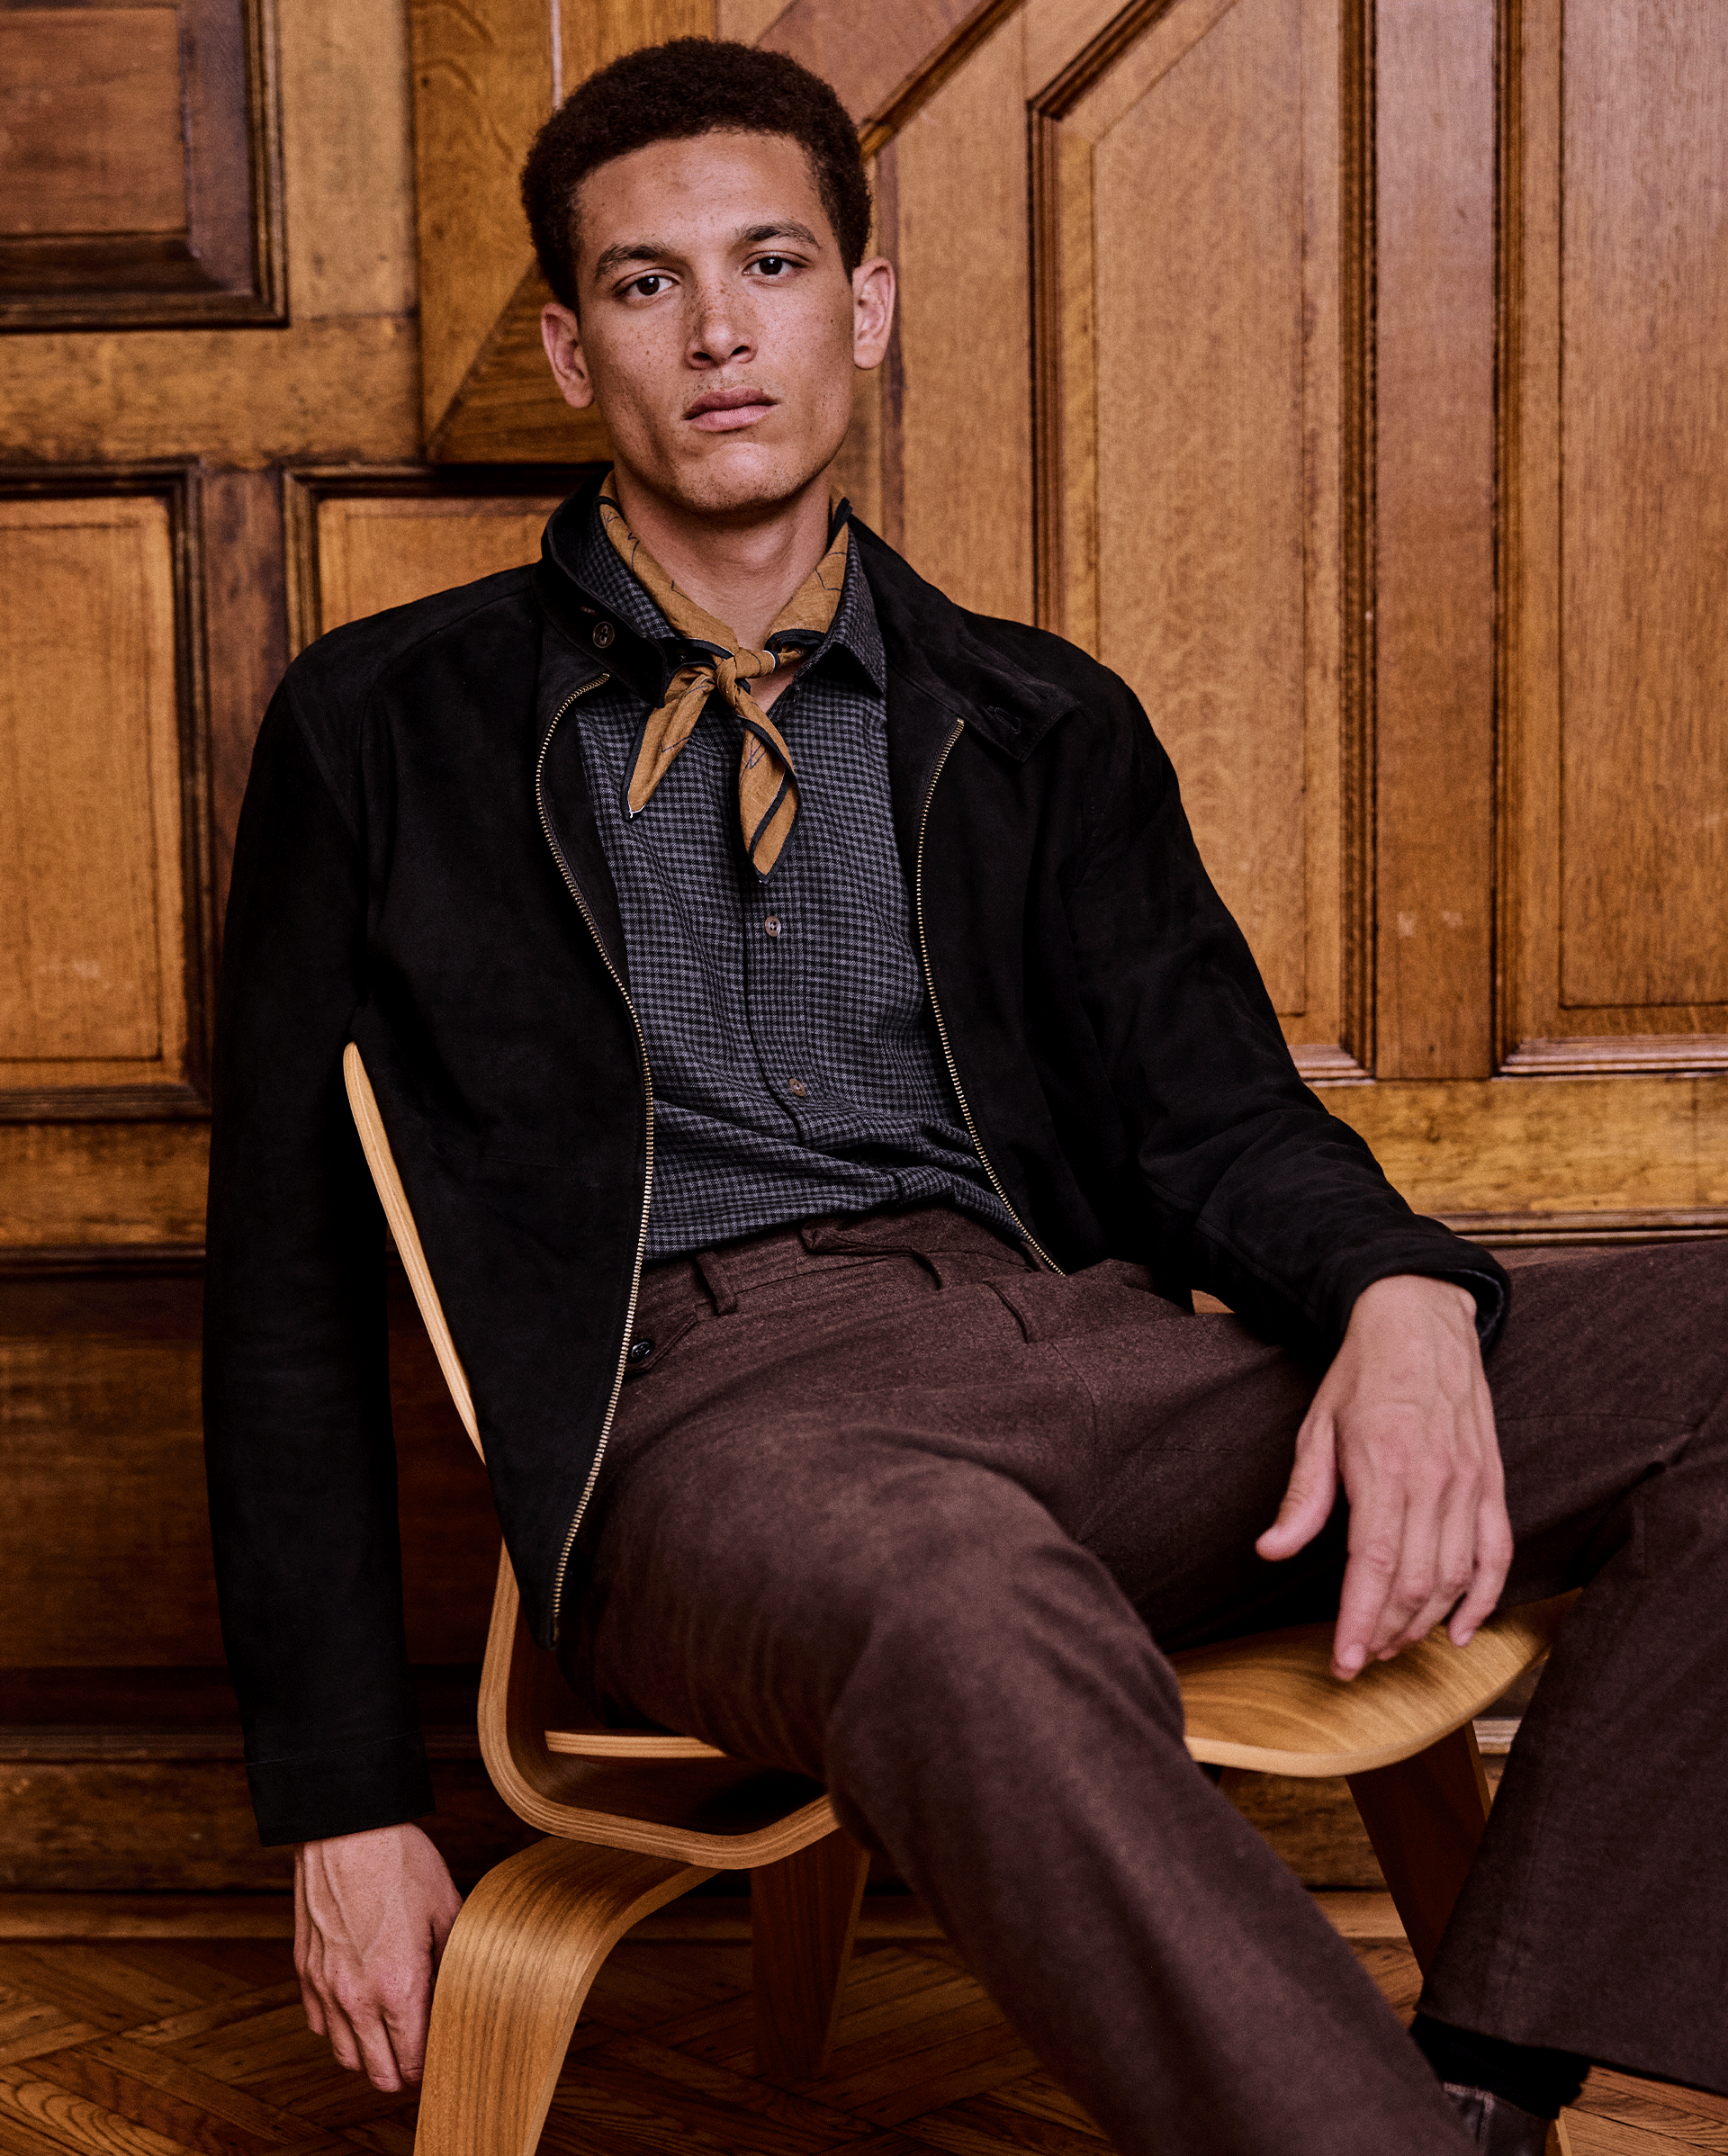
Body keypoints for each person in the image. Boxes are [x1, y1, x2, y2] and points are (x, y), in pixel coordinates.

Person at [202, 38, 1728, 2156]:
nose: (719, 331)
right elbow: (281, 1292)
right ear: (569, 349)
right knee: (954, 1584)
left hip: (1099, 1371)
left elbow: (1216, 1123)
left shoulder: (1036, 718)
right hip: (716, 1437)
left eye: (771, 264)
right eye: (646, 284)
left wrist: (1396, 1294)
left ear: (866, 307)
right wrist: (343, 1801)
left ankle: (1482, 2081)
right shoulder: (384, 726)